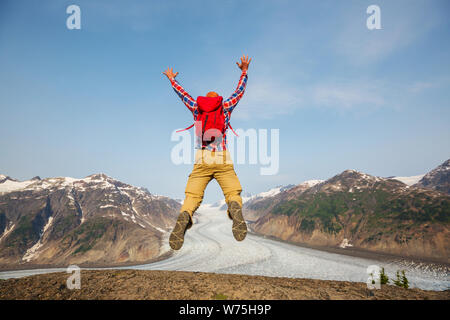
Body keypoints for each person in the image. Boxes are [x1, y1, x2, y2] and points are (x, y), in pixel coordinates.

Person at [162, 55, 252, 250]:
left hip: (202, 158)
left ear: (204, 101)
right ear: (218, 100)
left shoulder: (197, 108)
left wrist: (172, 79)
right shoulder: (225, 107)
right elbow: (239, 92)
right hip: (222, 157)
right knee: (232, 192)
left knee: (192, 196)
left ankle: (185, 215)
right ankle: (234, 208)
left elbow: (182, 94)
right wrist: (244, 71)